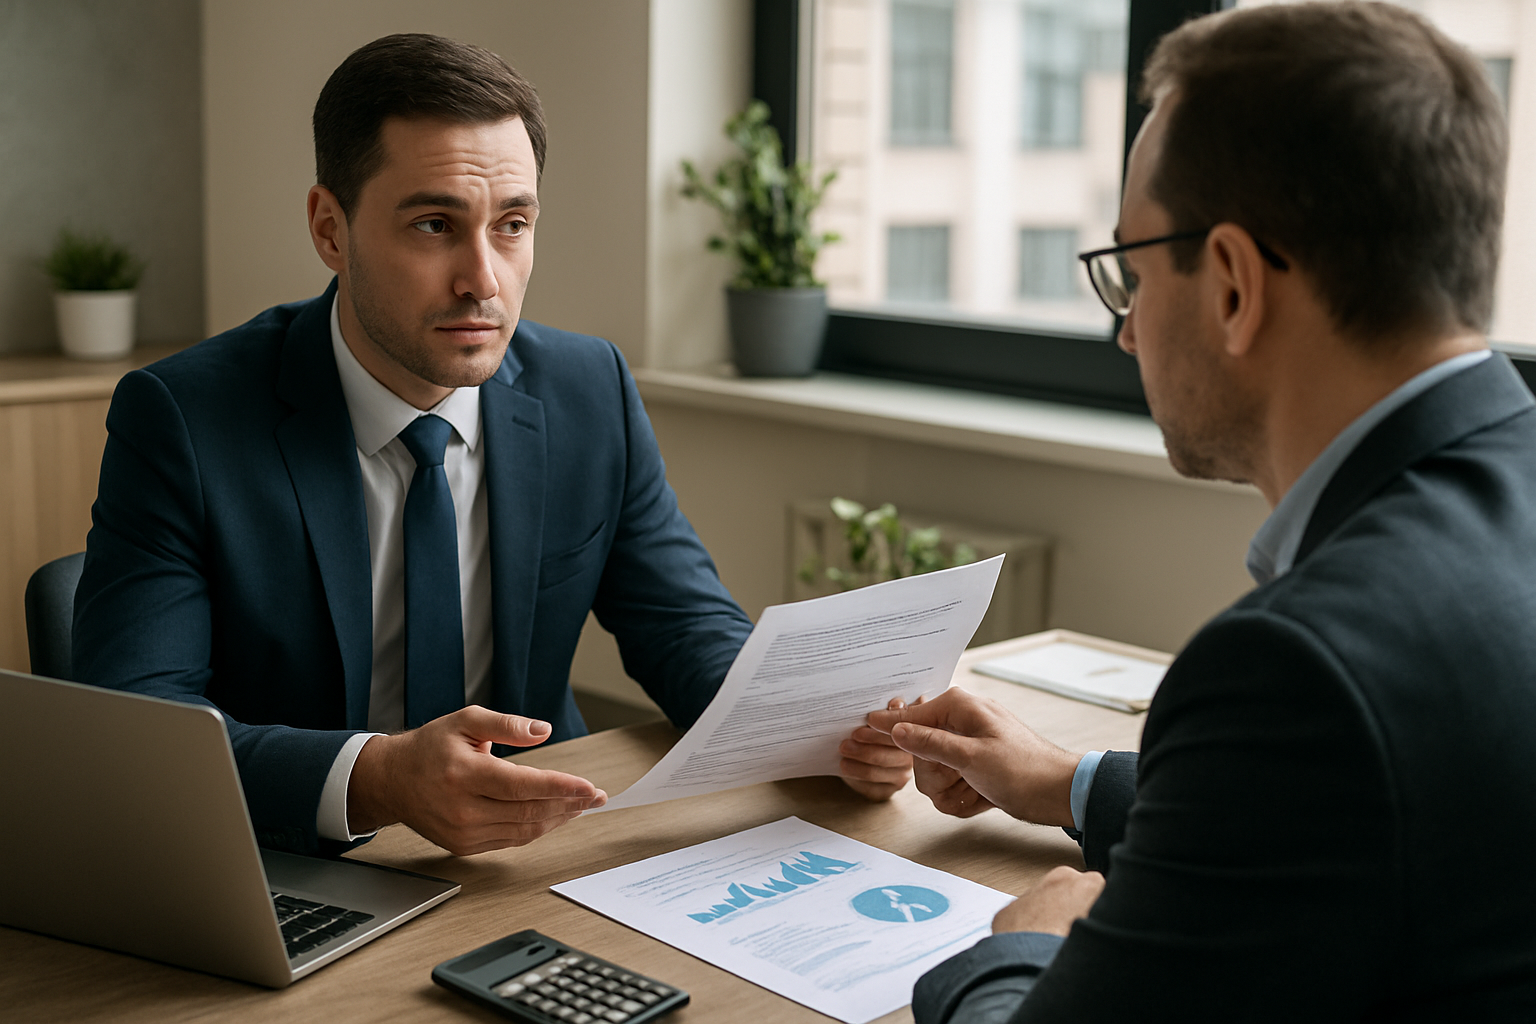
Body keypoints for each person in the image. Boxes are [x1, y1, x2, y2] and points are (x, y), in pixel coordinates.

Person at [73, 33, 912, 859]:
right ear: (331, 229)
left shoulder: (588, 389)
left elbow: (683, 624)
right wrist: (379, 778)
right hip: (293, 862)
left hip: (538, 841)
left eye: (512, 224)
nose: (484, 279)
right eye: (435, 224)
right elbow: (143, 731)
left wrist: (821, 727)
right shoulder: (182, 418)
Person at [868, 3, 1536, 1019]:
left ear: (1230, 283)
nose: (1129, 332)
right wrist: (1072, 782)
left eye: (1133, 275)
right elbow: (1374, 802)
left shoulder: (1299, 667)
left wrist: (1019, 953)